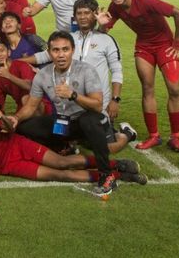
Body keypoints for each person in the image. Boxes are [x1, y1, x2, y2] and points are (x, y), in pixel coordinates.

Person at [0, 84, 145, 198]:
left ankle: (115, 164)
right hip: (6, 165)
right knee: (58, 175)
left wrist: (5, 121)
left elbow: (4, 128)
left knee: (63, 162)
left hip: (17, 144)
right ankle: (121, 175)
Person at [13, 32, 145, 196]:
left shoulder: (86, 70)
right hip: (64, 123)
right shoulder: (43, 75)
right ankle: (64, 146)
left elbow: (97, 106)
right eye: (55, 50)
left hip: (88, 121)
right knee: (25, 127)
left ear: (73, 50)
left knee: (90, 122)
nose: (61, 54)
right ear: (50, 52)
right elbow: (31, 106)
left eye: (65, 49)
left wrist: (73, 95)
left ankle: (106, 174)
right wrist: (16, 118)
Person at [22, 0, 136, 153]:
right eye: (79, 13)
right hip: (68, 110)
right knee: (56, 145)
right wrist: (18, 61)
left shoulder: (107, 40)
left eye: (87, 13)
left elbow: (117, 71)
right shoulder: (69, 40)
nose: (83, 17)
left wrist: (115, 100)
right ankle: (71, 142)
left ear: (95, 14)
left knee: (105, 149)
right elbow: (44, 56)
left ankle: (127, 134)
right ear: (74, 17)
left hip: (96, 108)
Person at [99, 0, 179, 153]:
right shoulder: (114, 7)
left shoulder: (145, 1)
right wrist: (101, 24)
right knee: (147, 89)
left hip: (164, 46)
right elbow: (104, 30)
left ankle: (176, 137)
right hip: (144, 48)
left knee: (174, 89)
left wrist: (176, 41)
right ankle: (154, 136)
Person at [0, 40, 43, 115]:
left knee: (25, 98)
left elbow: (30, 86)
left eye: (2, 50)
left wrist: (8, 75)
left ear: (9, 52)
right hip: (22, 109)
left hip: (40, 103)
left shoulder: (20, 65)